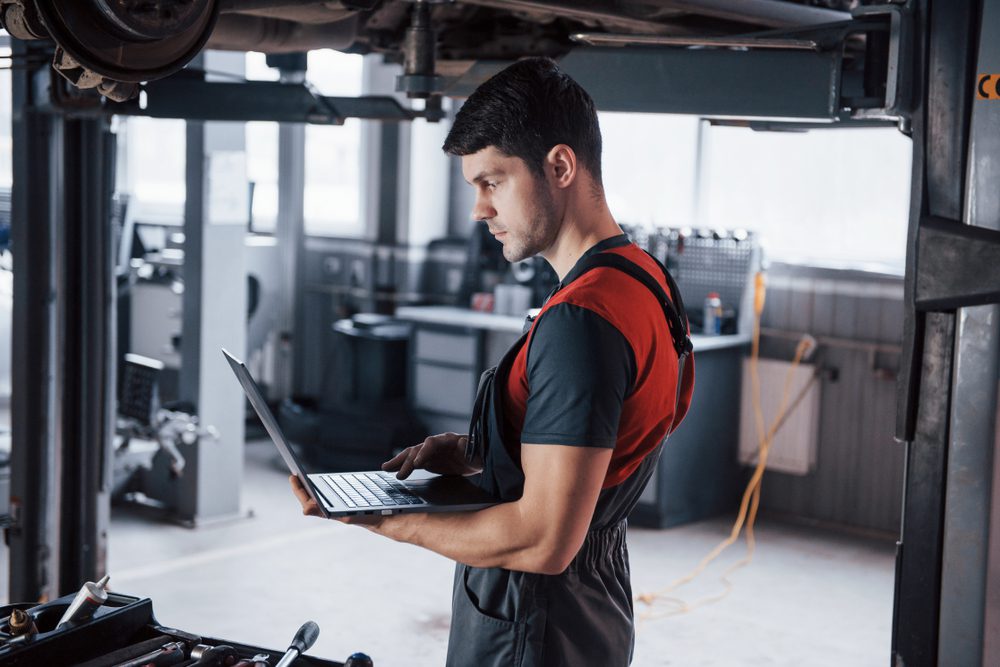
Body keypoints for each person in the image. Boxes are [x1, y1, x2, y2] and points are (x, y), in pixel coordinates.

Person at [291, 57, 695, 666]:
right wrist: (483, 450)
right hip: (591, 606)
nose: (479, 209)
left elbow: (543, 538)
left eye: (493, 181)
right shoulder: (644, 280)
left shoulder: (582, 320)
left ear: (559, 166)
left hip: (533, 623)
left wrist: (386, 519)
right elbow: (605, 441)